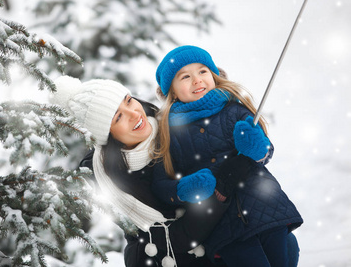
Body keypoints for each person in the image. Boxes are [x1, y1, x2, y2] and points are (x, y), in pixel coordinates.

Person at [50, 75, 300, 267]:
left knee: (283, 244)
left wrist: (250, 148)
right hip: (166, 256)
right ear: (108, 135)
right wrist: (220, 189)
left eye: (128, 100)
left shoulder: (173, 124)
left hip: (218, 236)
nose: (134, 113)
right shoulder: (106, 177)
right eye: (117, 118)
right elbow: (175, 238)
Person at [153, 45, 303, 267]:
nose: (197, 80)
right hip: (223, 226)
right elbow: (160, 184)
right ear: (172, 91)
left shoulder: (234, 109)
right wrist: (184, 188)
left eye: (203, 71)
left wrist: (256, 147)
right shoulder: (169, 131)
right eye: (185, 76)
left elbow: (266, 150)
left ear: (213, 74)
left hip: (266, 209)